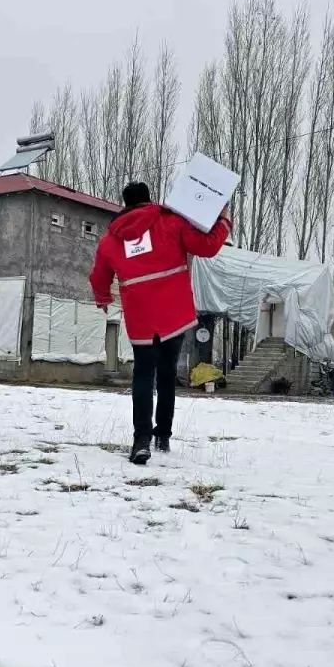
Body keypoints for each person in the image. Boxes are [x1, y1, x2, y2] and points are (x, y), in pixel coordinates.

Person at [90, 182, 231, 464]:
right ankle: (162, 436)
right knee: (167, 375)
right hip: (173, 313)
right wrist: (223, 221)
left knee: (143, 376)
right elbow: (206, 246)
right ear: (148, 199)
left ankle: (141, 440)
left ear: (125, 204)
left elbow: (98, 276)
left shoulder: (110, 239)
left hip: (141, 315)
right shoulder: (169, 221)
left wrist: (103, 298)